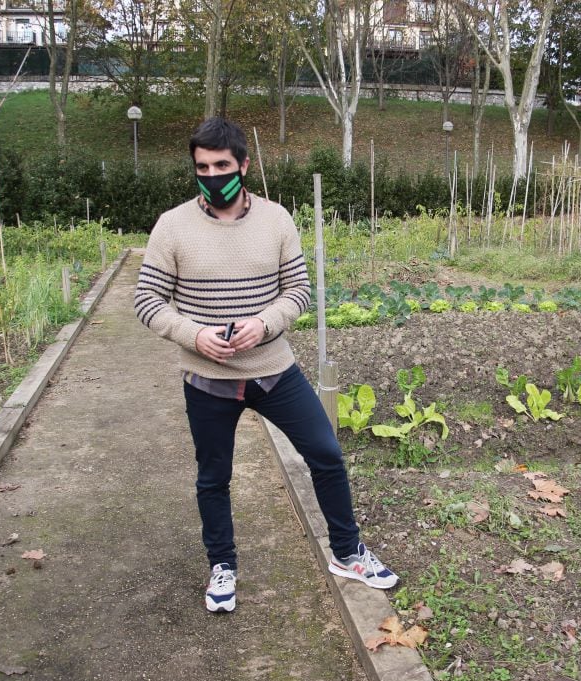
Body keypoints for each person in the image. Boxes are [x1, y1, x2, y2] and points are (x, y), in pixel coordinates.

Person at [134, 117, 397, 613]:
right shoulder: (172, 226)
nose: (212, 175)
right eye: (202, 167)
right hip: (207, 379)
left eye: (222, 165)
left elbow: (297, 291)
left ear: (244, 166)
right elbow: (147, 300)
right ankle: (223, 564)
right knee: (214, 476)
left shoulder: (277, 220)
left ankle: (347, 552)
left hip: (275, 370)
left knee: (325, 454)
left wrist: (265, 324)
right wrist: (195, 335)